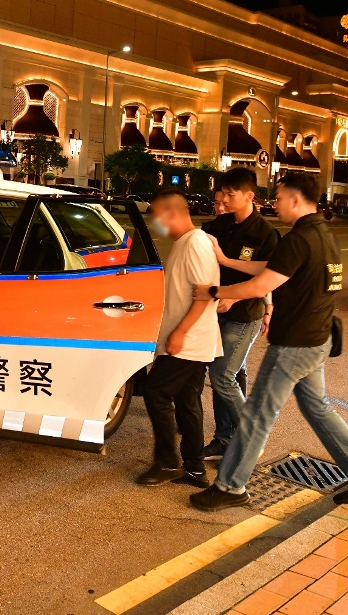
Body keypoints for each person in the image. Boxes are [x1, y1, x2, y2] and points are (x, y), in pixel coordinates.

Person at [188, 172, 348, 511]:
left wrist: (214, 291)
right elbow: (273, 268)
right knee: (318, 410)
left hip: (295, 344)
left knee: (257, 414)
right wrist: (225, 261)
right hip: (317, 338)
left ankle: (230, 487)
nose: (276, 204)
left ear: (296, 199)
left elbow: (260, 286)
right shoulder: (321, 234)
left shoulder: (299, 239)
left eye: (280, 197)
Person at [137, 186, 222, 488]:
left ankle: (167, 463)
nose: (156, 225)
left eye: (157, 217)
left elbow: (205, 295)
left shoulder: (196, 243)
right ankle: (195, 470)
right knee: (188, 402)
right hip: (190, 339)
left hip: (189, 341)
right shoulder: (185, 242)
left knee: (155, 392)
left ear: (172, 213)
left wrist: (180, 333)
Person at [201, 168, 278, 460]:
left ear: (249, 196)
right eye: (223, 194)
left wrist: (234, 297)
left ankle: (252, 435)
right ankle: (224, 438)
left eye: (231, 194)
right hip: (215, 310)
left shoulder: (265, 234)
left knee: (223, 376)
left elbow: (268, 277)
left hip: (244, 314)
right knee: (223, 374)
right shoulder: (220, 225)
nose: (225, 200)